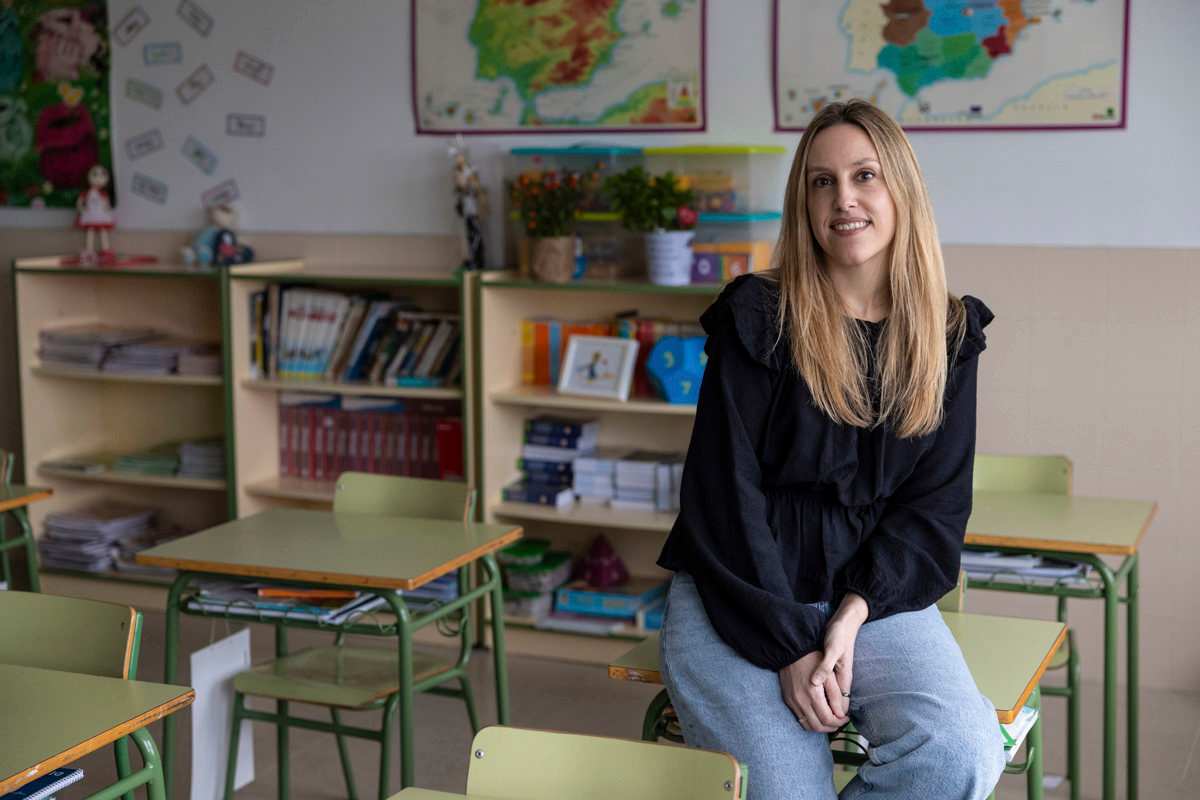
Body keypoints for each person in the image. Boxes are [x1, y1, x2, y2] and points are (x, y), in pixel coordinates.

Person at [656, 99, 1002, 799]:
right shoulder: (758, 315)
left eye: (864, 175)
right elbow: (724, 496)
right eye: (821, 182)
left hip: (868, 597)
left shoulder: (948, 334)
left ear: (900, 188)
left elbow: (933, 508)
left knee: (959, 752)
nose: (843, 199)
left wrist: (849, 616)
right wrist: (788, 641)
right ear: (804, 203)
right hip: (739, 592)